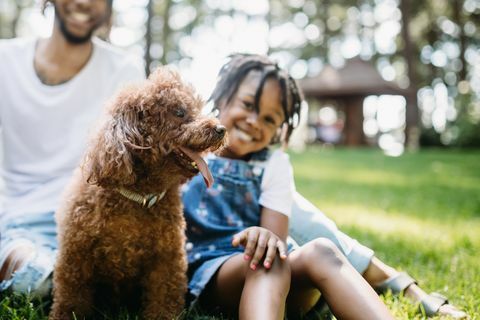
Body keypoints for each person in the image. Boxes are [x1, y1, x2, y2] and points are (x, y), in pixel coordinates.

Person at [181, 53, 394, 319]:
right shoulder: (190, 153)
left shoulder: (273, 163)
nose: (255, 121)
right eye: (248, 105)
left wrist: (265, 236)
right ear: (222, 96)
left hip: (278, 278)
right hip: (215, 275)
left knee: (321, 250)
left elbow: (276, 243)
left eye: (269, 119)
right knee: (263, 262)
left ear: (279, 129)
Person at [0, 0, 144, 296]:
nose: (83, 2)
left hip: (95, 220)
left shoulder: (124, 69)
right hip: (22, 220)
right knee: (34, 278)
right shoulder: (6, 60)